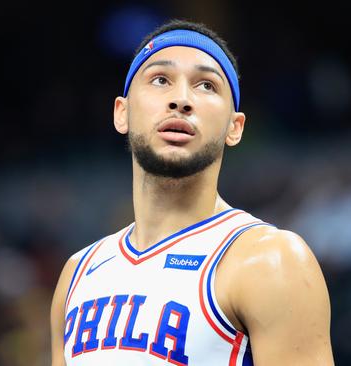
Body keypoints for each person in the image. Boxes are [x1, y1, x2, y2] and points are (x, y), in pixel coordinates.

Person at [50, 19, 333, 365]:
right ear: (121, 113)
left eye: (206, 86)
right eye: (160, 80)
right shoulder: (77, 274)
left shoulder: (270, 261)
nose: (181, 99)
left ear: (235, 127)